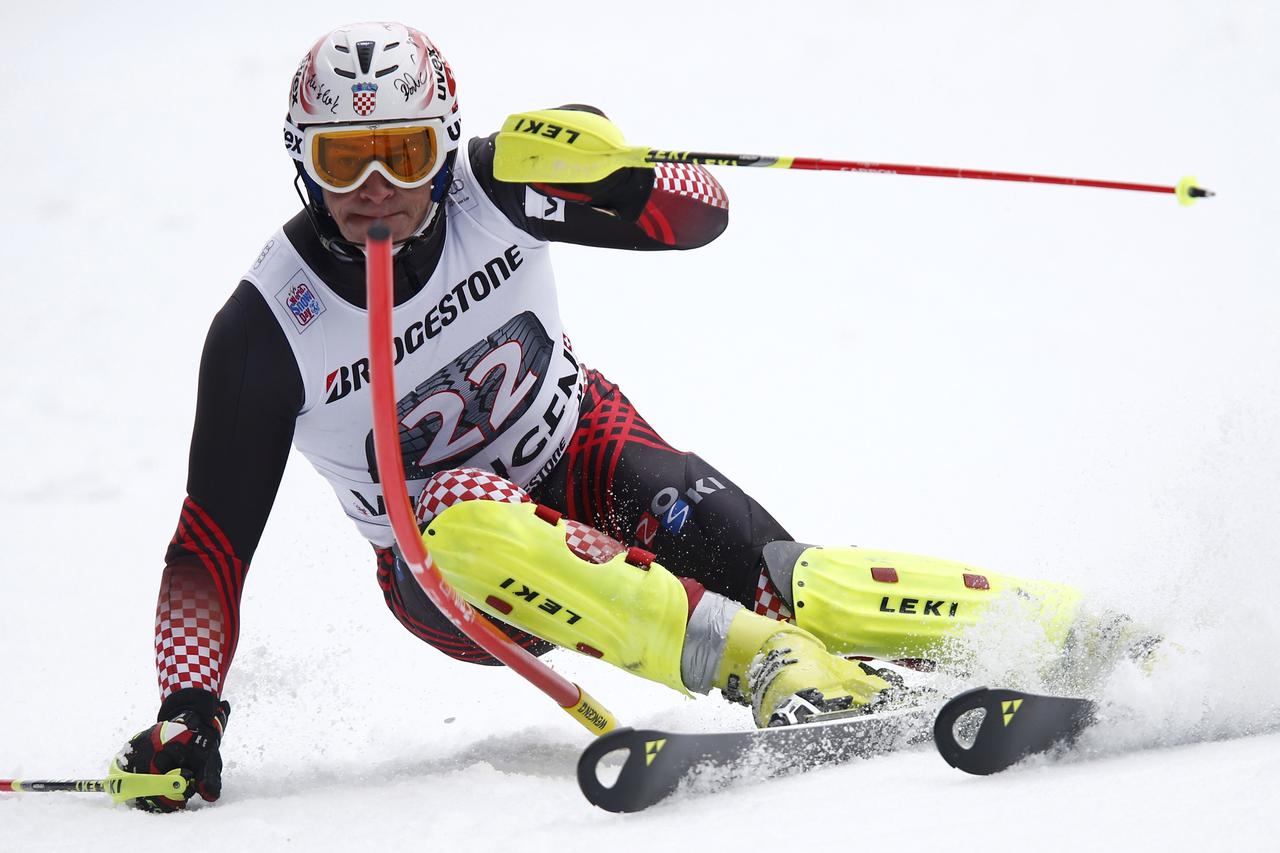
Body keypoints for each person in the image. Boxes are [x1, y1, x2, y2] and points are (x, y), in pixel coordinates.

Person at [116, 21, 1146, 812]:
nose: (379, 189)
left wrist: (618, 172)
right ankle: (765, 666)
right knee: (461, 506)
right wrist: (187, 712)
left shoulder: (491, 187)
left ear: (445, 142)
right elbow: (207, 550)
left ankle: (1065, 626)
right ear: (301, 159)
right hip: (450, 575)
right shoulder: (264, 332)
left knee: (785, 575)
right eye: (346, 161)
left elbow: (696, 215)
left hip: (582, 450)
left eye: (406, 151)